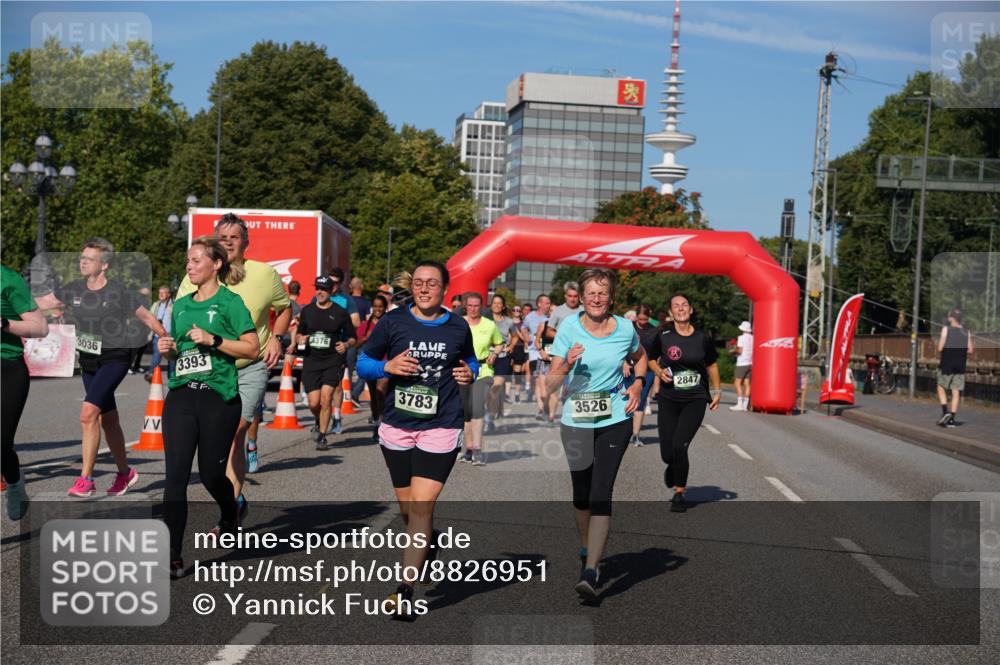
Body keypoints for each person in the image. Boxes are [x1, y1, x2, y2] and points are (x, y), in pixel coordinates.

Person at [357, 260, 477, 619]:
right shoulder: (393, 321)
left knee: (422, 507)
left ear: (445, 289)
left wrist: (468, 372)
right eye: (420, 283)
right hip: (397, 424)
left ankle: (404, 590)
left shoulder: (457, 326)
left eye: (433, 284)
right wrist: (386, 368)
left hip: (441, 424)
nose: (425, 289)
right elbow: (364, 362)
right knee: (409, 512)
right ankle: (430, 542)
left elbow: (470, 360)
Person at [158, 236, 259, 578]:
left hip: (219, 398)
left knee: (212, 474)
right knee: (175, 478)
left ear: (216, 264)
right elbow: (177, 354)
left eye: (197, 259)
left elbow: (251, 348)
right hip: (182, 395)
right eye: (188, 260)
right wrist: (167, 348)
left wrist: (214, 340)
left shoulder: (231, 303)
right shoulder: (182, 305)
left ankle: (230, 514)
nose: (189, 265)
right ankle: (173, 554)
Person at [175, 213, 290, 507]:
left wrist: (277, 336)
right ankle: (228, 498)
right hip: (209, 370)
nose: (227, 243)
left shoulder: (264, 274)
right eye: (222, 238)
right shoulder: (196, 276)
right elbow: (179, 317)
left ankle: (233, 504)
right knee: (214, 440)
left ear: (245, 242)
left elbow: (284, 308)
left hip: (248, 365)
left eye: (234, 238)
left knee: (236, 431)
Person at [545, 268, 646, 599]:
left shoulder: (626, 328)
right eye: (591, 293)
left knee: (602, 492)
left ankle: (591, 570)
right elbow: (551, 383)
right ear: (582, 297)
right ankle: (587, 547)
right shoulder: (569, 328)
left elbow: (640, 356)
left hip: (614, 417)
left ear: (611, 297)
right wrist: (566, 364)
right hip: (576, 420)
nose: (597, 298)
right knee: (582, 493)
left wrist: (637, 384)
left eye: (602, 292)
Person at [57, 238, 167, 497]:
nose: (83, 261)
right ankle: (125, 473)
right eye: (81, 257)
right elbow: (39, 304)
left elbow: (147, 317)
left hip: (115, 357)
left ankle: (86, 479)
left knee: (88, 414)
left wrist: (166, 338)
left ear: (104, 265)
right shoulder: (74, 289)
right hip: (89, 360)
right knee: (109, 421)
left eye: (89, 258)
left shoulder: (118, 292)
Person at [648, 294, 721, 513]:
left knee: (680, 445)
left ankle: (679, 491)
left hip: (695, 398)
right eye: (676, 306)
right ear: (671, 312)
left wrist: (716, 391)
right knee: (667, 452)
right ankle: (672, 464)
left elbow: (712, 365)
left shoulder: (702, 338)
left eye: (684, 305)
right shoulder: (664, 336)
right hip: (669, 399)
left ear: (691, 310)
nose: (680, 309)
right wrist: (659, 372)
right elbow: (651, 359)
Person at [2, 264, 49, 519]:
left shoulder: (8, 280)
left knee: (1, 444)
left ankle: (14, 482)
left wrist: (4, 323)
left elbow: (41, 328)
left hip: (7, 368)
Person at [297, 276, 356, 450]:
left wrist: (345, 345)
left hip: (333, 360)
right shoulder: (307, 311)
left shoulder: (340, 312)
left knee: (326, 398)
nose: (320, 292)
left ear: (331, 291)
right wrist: (301, 339)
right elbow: (299, 334)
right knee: (313, 402)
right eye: (317, 288)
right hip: (311, 360)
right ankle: (318, 419)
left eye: (323, 289)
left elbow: (353, 338)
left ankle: (322, 436)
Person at [459, 292, 503, 465]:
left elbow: (499, 343)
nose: (473, 309)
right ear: (465, 306)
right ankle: (468, 449)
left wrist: (494, 354)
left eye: (476, 305)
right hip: (462, 370)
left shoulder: (489, 325)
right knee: (465, 412)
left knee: (477, 407)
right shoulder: (459, 323)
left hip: (483, 370)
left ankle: (477, 450)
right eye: (470, 305)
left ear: (481, 306)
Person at [357, 294, 389, 440]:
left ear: (385, 308)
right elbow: (356, 343)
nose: (377, 309)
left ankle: (384, 425)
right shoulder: (366, 325)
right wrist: (366, 338)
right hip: (370, 363)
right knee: (374, 397)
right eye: (375, 306)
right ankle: (376, 423)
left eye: (380, 307)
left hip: (385, 363)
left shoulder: (390, 322)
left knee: (380, 392)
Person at [936, 308, 974, 428]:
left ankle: (945, 411)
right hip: (960, 365)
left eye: (949, 316)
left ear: (951, 318)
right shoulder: (966, 332)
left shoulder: (946, 329)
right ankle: (952, 419)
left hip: (947, 364)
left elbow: (940, 348)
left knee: (941, 387)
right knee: (955, 391)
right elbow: (971, 350)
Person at [631, 305, 659, 446]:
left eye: (645, 319)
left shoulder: (654, 331)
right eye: (640, 319)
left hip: (646, 371)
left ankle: (636, 435)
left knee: (640, 401)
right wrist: (624, 363)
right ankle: (623, 432)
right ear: (636, 316)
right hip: (627, 369)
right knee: (625, 400)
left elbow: (658, 351)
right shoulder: (628, 327)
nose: (642, 322)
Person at [486, 294, 515, 427]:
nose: (496, 305)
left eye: (499, 303)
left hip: (503, 358)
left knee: (495, 389)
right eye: (494, 303)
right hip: (486, 358)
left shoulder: (509, 321)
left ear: (503, 306)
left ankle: (490, 418)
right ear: (491, 305)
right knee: (486, 390)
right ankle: (491, 410)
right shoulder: (484, 320)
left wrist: (511, 347)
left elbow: (515, 336)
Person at [523, 294, 553, 422]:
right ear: (539, 304)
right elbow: (524, 328)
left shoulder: (551, 318)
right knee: (539, 379)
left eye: (549, 303)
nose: (548, 305)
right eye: (546, 303)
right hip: (535, 352)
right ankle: (541, 409)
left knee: (545, 381)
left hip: (549, 353)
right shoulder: (530, 317)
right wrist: (526, 336)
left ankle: (545, 406)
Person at [145, 285, 174, 381]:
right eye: (159, 292)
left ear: (169, 294)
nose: (160, 294)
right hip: (158, 336)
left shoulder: (174, 305)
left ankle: (172, 377)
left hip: (171, 336)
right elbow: (150, 317)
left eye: (163, 292)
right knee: (156, 356)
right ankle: (151, 374)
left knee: (172, 358)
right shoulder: (156, 304)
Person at [730, 320, 753, 412]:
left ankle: (739, 404)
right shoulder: (753, 337)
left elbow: (740, 351)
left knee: (737, 382)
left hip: (742, 362)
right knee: (747, 383)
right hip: (750, 362)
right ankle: (745, 405)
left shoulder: (741, 338)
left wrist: (733, 351)